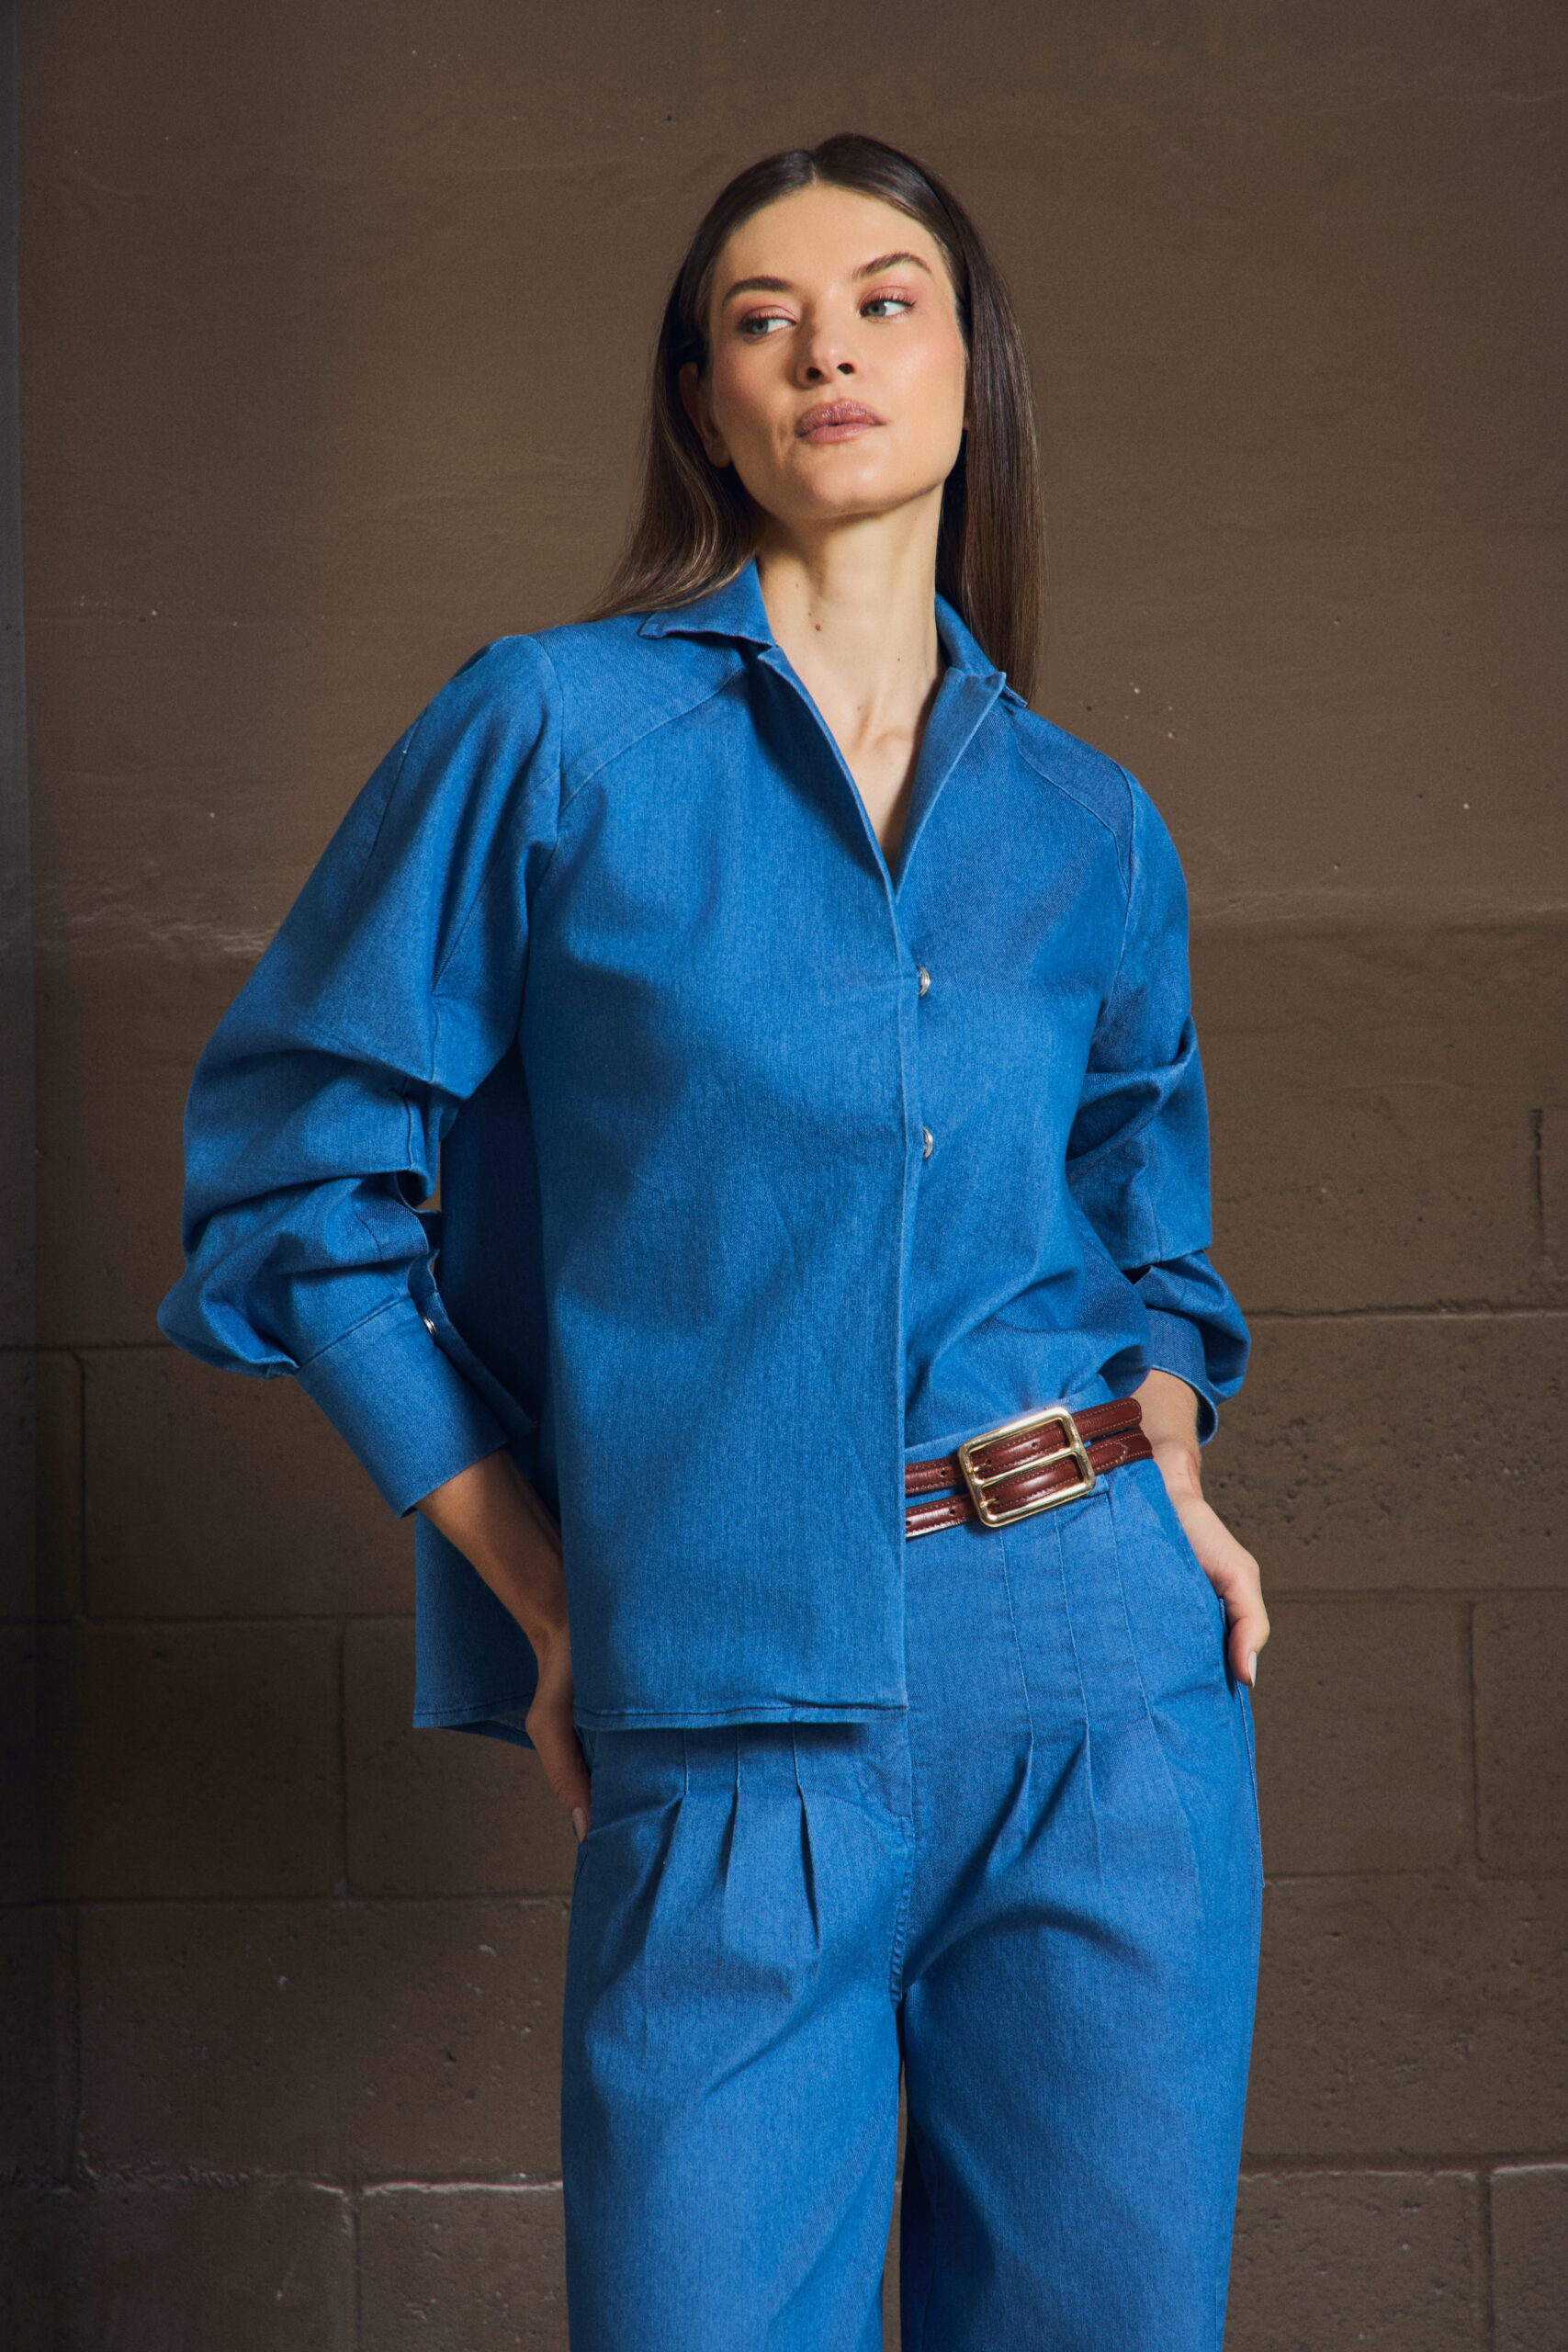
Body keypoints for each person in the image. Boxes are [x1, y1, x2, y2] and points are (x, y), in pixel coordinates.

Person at [158, 130, 1269, 2352]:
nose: (824, 351)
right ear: (704, 402)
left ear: (970, 370)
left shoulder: (1084, 821)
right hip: (725, 1673)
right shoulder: (551, 732)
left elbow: (1144, 1222)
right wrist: (553, 1591)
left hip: (1103, 1675)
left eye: (882, 303)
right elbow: (294, 1181)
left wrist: (1170, 1460)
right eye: (762, 321)